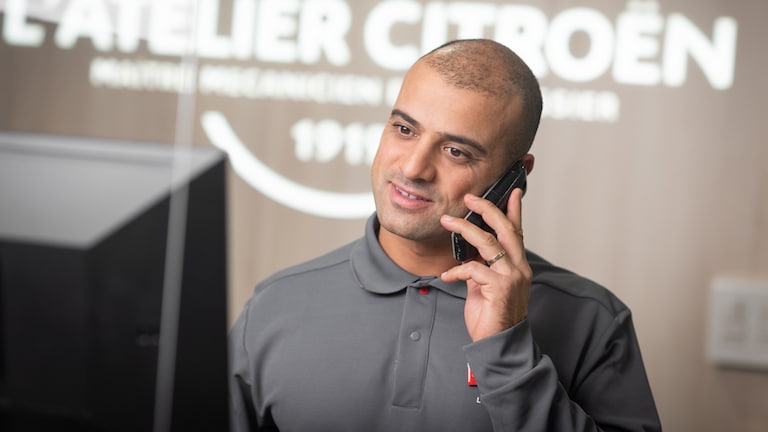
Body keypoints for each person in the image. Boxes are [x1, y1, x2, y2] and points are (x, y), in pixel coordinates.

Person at [229, 39, 661, 431]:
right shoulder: (273, 307)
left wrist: (507, 351)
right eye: (404, 129)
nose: (414, 168)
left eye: (456, 151)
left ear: (515, 176)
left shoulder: (594, 320)